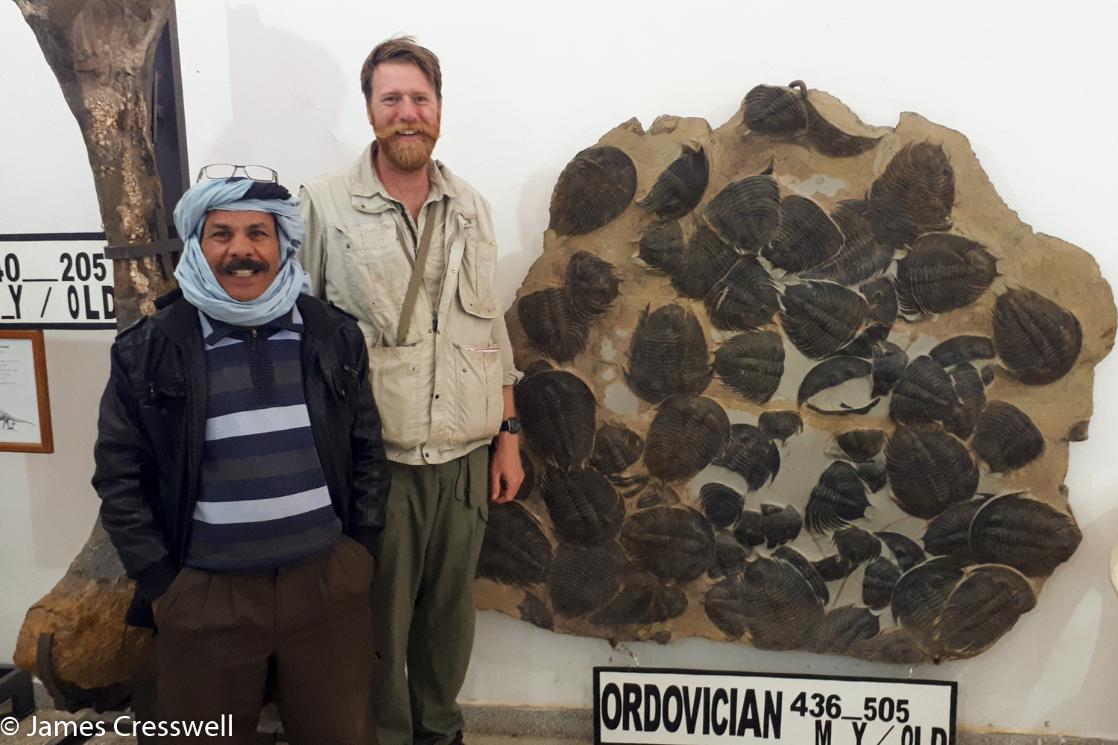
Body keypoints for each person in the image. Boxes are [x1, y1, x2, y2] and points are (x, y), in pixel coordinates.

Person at [93, 172, 390, 744]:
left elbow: (366, 453)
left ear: (282, 244)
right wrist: (164, 586)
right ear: (198, 248)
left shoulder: (332, 335)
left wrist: (361, 556)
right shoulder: (150, 349)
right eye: (221, 234)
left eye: (258, 232)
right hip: (205, 598)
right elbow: (119, 477)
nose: (241, 250)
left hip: (326, 589)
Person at [299, 36, 524, 745]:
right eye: (391, 98)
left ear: (439, 110)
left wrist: (508, 435)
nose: (407, 113)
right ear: (369, 110)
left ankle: (442, 728)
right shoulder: (325, 205)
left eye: (419, 99)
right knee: (377, 627)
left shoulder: (471, 207)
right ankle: (388, 735)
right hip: (378, 462)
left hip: (463, 456)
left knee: (449, 622)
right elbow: (295, 333)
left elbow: (491, 330)